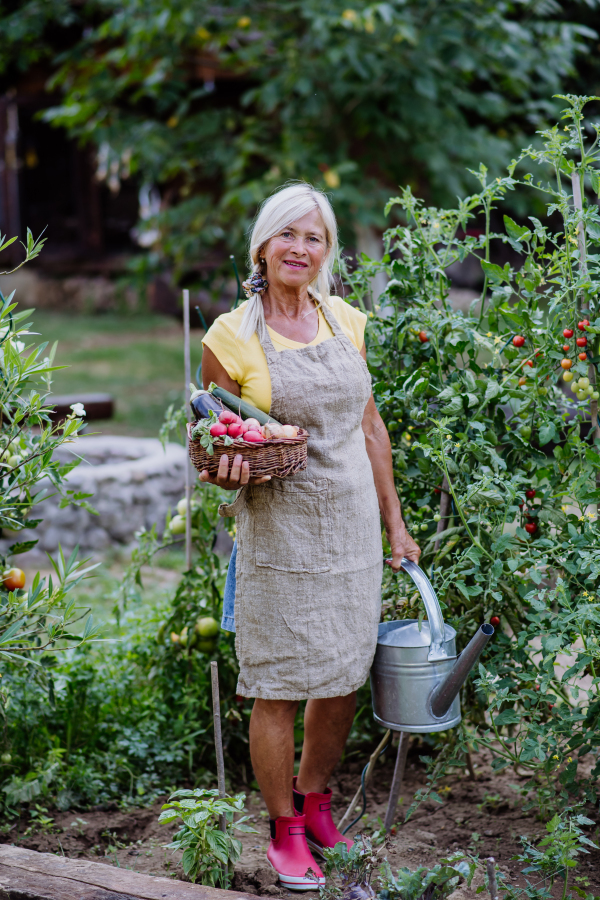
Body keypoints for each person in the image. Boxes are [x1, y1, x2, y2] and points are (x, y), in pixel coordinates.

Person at [200, 183, 420, 890]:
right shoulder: (231, 336)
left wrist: (396, 522)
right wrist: (227, 470)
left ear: (326, 251)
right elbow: (213, 439)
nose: (300, 248)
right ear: (263, 245)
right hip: (281, 533)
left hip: (351, 526)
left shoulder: (346, 321)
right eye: (287, 234)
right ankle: (282, 828)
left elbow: (370, 427)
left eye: (314, 237)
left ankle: (318, 800)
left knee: (341, 674)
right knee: (280, 683)